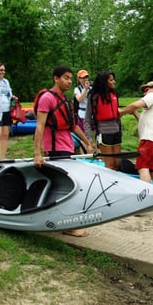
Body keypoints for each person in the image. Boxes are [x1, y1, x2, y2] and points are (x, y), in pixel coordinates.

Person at [34, 65, 94, 238]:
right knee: (64, 187)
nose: (69, 81)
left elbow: (73, 125)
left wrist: (86, 141)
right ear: (56, 78)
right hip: (54, 148)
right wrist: (37, 153)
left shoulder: (65, 100)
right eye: (65, 78)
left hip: (67, 146)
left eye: (70, 78)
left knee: (68, 185)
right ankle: (67, 225)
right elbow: (40, 125)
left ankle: (64, 221)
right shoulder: (47, 98)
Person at [119, 81, 153, 187]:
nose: (145, 93)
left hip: (150, 139)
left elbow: (135, 104)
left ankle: (145, 196)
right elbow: (144, 120)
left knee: (142, 167)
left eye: (147, 89)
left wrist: (121, 113)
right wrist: (135, 113)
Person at [86, 71, 121, 171]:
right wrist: (89, 138)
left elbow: (118, 115)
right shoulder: (94, 98)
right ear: (104, 82)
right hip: (104, 133)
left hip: (116, 132)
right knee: (109, 165)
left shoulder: (114, 95)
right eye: (111, 80)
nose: (114, 82)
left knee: (117, 164)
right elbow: (87, 119)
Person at [74, 69, 92, 140]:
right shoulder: (77, 89)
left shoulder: (91, 88)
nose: (85, 79)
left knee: (96, 134)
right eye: (83, 78)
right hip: (82, 114)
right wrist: (85, 89)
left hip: (92, 114)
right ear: (79, 79)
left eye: (86, 77)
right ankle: (85, 150)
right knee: (84, 136)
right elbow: (80, 99)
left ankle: (97, 150)